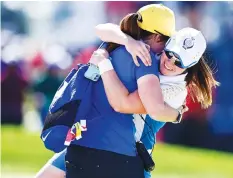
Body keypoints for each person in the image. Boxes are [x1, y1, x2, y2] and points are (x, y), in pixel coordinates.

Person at [36, 26, 218, 178]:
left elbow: (122, 104)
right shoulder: (154, 58)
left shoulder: (175, 91)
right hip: (100, 140)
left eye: (179, 62)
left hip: (132, 157)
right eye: (169, 54)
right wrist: (129, 41)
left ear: (190, 65)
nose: (170, 62)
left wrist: (104, 63)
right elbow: (102, 30)